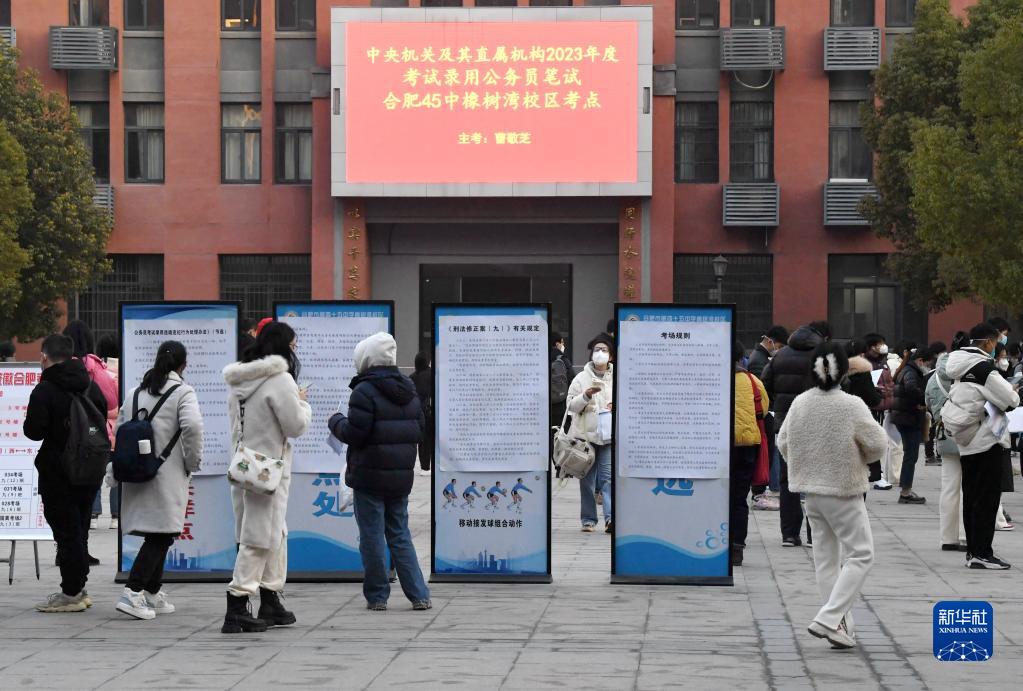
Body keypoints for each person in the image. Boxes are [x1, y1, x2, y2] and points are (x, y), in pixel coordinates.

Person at [778, 342, 888, 650]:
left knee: (826, 559)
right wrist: (860, 458)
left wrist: (805, 464)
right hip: (843, 489)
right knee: (861, 555)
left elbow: (783, 442)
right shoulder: (851, 404)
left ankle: (840, 626)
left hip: (811, 492)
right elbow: (877, 445)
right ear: (844, 371)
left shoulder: (801, 402)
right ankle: (829, 619)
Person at [328, 332, 431, 611]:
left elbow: (355, 434)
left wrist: (336, 422)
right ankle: (419, 595)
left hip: (369, 475)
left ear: (366, 358)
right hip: (400, 476)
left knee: (372, 535)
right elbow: (419, 430)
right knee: (399, 533)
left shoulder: (363, 391)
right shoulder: (408, 390)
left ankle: (377, 596)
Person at [222, 321, 312, 633]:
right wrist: (302, 402)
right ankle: (237, 602)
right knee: (259, 537)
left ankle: (271, 598)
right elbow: (296, 426)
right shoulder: (280, 379)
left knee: (274, 532)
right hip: (269, 470)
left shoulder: (240, 379)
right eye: (293, 345)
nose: (295, 351)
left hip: (245, 467)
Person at [113, 341, 204, 620]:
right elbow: (193, 426)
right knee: (162, 534)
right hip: (167, 473)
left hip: (137, 472)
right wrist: (192, 461)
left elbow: (120, 428)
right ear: (183, 365)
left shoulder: (136, 393)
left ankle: (152, 591)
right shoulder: (183, 392)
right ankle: (133, 591)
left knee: (161, 533)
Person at [24, 334, 110, 613]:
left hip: (58, 470)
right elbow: (101, 417)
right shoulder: (90, 385)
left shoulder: (45, 390)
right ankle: (79, 587)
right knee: (79, 528)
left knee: (65, 531)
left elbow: (33, 431)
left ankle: (71, 592)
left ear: (44, 357)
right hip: (90, 467)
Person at [944, 322, 1019, 569]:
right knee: (987, 499)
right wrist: (1011, 389)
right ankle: (982, 553)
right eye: (996, 342)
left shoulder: (958, 363)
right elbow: (1011, 400)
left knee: (972, 497)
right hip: (986, 440)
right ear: (988, 342)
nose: (997, 346)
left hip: (967, 437)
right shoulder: (984, 368)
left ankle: (973, 552)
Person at [761, 321, 832, 547]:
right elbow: (840, 385)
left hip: (787, 425)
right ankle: (814, 534)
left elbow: (765, 385)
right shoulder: (823, 356)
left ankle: (790, 534)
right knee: (815, 481)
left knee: (787, 480)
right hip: (817, 425)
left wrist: (779, 405)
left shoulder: (779, 356)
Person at [64, 321, 118, 544]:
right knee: (95, 473)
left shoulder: (57, 367)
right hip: (95, 433)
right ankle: (107, 518)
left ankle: (70, 545)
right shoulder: (97, 369)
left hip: (65, 437)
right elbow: (112, 401)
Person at [566, 333, 614, 534]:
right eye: (596, 350)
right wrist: (585, 396)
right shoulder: (581, 378)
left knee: (607, 479)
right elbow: (570, 405)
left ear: (611, 356)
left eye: (604, 350)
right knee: (586, 480)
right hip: (585, 437)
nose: (600, 353)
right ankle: (588, 520)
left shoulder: (618, 377)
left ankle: (610, 519)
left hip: (608, 437)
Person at [926, 340, 967, 552]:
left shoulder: (933, 378)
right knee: (968, 487)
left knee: (949, 488)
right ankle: (964, 535)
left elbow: (928, 403)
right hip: (968, 435)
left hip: (944, 434)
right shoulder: (967, 375)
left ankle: (948, 538)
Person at [731, 340, 769, 566]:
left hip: (719, 447)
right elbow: (763, 409)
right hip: (747, 445)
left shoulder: (712, 378)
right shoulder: (753, 381)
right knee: (739, 498)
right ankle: (737, 548)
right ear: (740, 358)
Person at [890, 347, 930, 505]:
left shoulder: (906, 369)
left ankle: (906, 489)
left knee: (910, 454)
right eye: (927, 363)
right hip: (908, 417)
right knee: (910, 455)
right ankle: (905, 492)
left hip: (903, 416)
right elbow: (911, 388)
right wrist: (922, 401)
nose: (928, 367)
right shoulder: (911, 372)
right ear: (920, 361)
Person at [95, 333, 122, 529]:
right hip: (118, 430)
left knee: (95, 473)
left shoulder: (96, 371)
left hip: (98, 429)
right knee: (118, 473)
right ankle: (116, 516)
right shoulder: (124, 370)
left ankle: (93, 513)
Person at [411, 352, 433, 476]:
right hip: (432, 411)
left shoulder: (412, 377)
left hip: (419, 413)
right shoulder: (433, 374)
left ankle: (425, 467)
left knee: (423, 441)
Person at [550, 333, 574, 429]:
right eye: (562, 343)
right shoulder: (563, 359)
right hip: (561, 404)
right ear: (557, 344)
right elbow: (572, 379)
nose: (563, 345)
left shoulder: (541, 358)